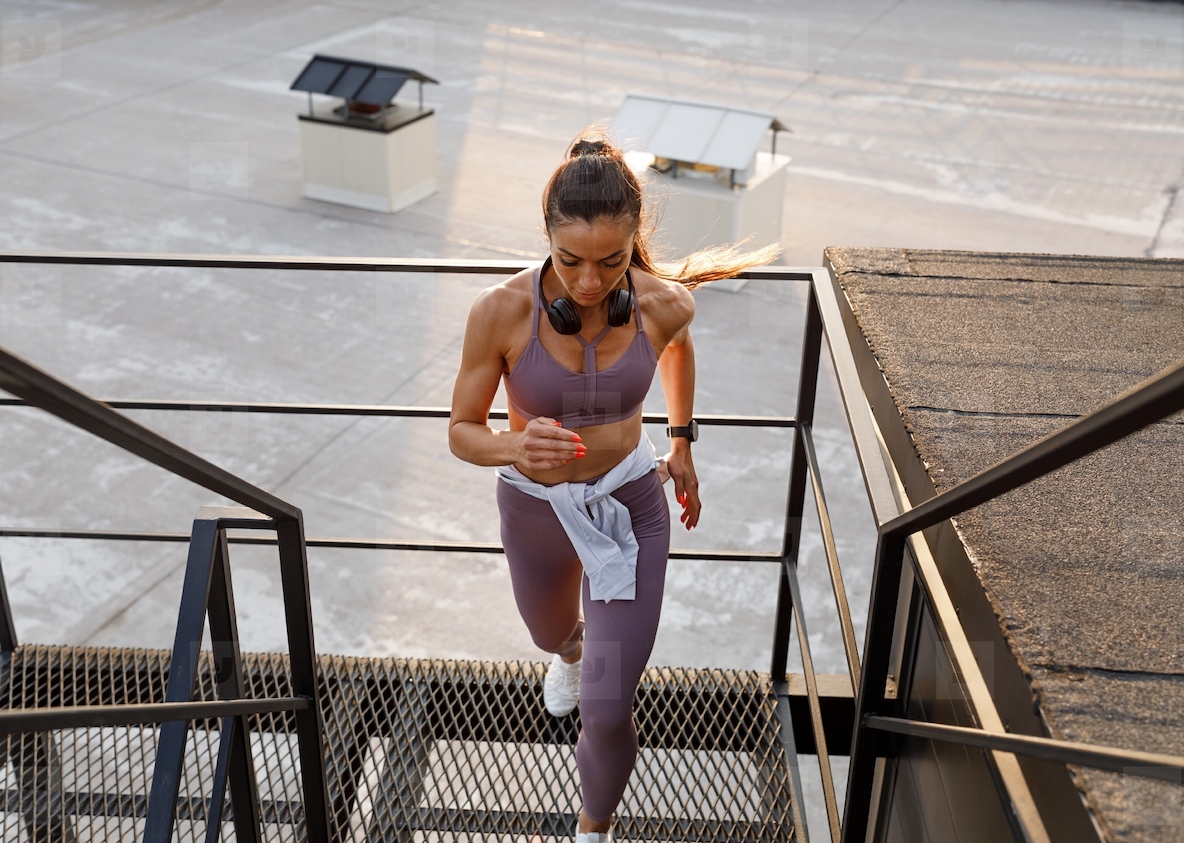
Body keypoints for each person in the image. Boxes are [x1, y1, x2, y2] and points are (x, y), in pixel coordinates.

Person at [448, 130, 778, 842]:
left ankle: (592, 829)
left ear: (635, 242)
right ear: (546, 237)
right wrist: (513, 444)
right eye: (570, 261)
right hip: (536, 510)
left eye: (611, 261)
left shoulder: (664, 305)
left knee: (605, 707)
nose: (590, 284)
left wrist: (681, 441)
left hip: (629, 510)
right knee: (548, 632)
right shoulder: (500, 312)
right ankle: (570, 651)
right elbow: (461, 431)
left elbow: (679, 351)